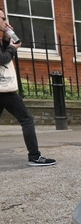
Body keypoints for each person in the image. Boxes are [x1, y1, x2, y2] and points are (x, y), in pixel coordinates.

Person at [0, 9, 56, 166]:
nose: (5, 21)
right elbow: (3, 58)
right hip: (4, 90)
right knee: (27, 120)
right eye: (2, 18)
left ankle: (34, 156)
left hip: (4, 88)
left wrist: (7, 37)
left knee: (26, 120)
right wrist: (12, 48)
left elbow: (13, 47)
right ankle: (34, 156)